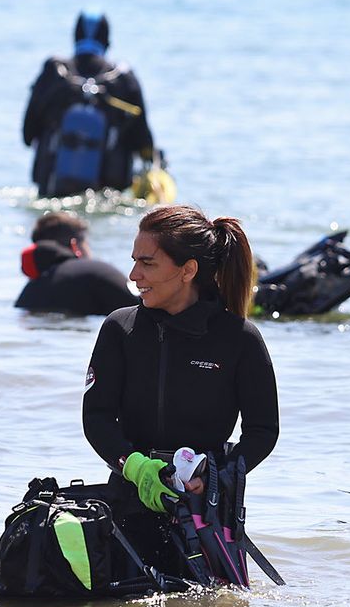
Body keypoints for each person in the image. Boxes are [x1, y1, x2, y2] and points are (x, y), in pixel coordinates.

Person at [82, 205, 279, 573]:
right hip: (128, 500)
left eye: (147, 263)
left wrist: (213, 475)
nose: (133, 275)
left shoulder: (239, 339)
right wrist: (136, 467)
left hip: (205, 513)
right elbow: (97, 417)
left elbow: (262, 431)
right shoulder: (120, 329)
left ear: (188, 270)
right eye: (134, 261)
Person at [21, 12, 155, 198]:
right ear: (107, 41)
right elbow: (145, 145)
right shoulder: (124, 78)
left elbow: (27, 136)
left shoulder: (54, 73)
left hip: (53, 191)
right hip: (105, 194)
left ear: (74, 36)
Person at [14, 211, 136, 316]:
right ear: (75, 245)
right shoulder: (97, 271)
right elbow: (142, 307)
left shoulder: (29, 292)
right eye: (87, 242)